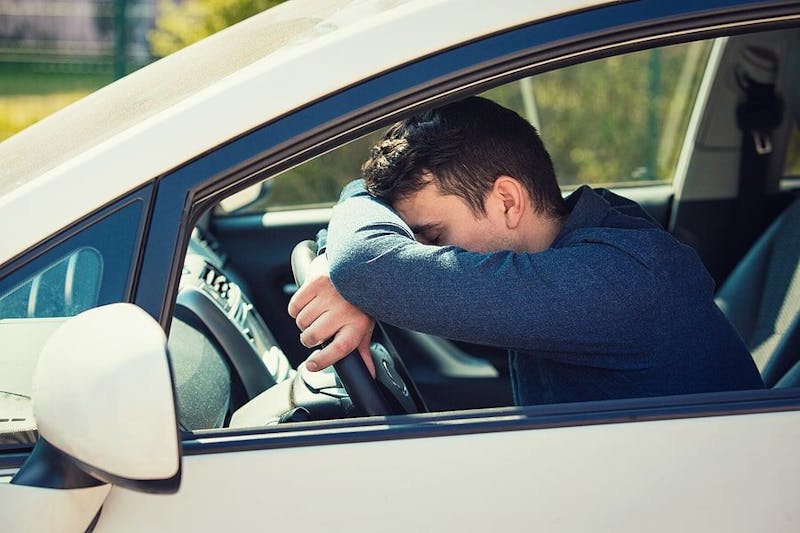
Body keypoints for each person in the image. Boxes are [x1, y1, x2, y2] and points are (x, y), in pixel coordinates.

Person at [288, 96, 764, 406]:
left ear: (508, 201)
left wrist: (351, 242)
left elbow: (370, 266)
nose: (422, 255)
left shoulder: (611, 281)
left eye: (431, 236)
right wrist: (345, 268)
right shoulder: (567, 248)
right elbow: (373, 266)